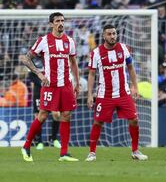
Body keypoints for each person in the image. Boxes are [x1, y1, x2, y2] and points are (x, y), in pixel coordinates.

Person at [20, 12, 80, 162]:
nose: (61, 23)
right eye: (57, 21)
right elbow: (26, 58)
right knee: (43, 115)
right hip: (50, 85)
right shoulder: (44, 41)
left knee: (66, 115)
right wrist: (39, 74)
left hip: (66, 85)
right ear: (51, 24)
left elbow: (73, 62)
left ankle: (64, 153)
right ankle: (26, 146)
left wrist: (77, 82)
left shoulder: (70, 41)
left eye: (62, 21)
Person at [85, 24, 148, 161]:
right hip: (104, 95)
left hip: (123, 93)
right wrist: (90, 95)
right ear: (103, 36)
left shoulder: (123, 48)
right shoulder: (96, 53)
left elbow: (131, 68)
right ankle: (92, 153)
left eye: (114, 33)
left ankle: (135, 151)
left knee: (134, 120)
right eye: (109, 34)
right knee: (97, 123)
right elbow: (91, 74)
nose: (112, 36)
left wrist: (135, 87)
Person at [28, 69, 61, 150]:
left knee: (56, 114)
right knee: (38, 117)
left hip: (52, 90)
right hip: (38, 92)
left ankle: (54, 139)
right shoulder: (34, 60)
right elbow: (31, 78)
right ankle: (39, 141)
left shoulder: (50, 58)